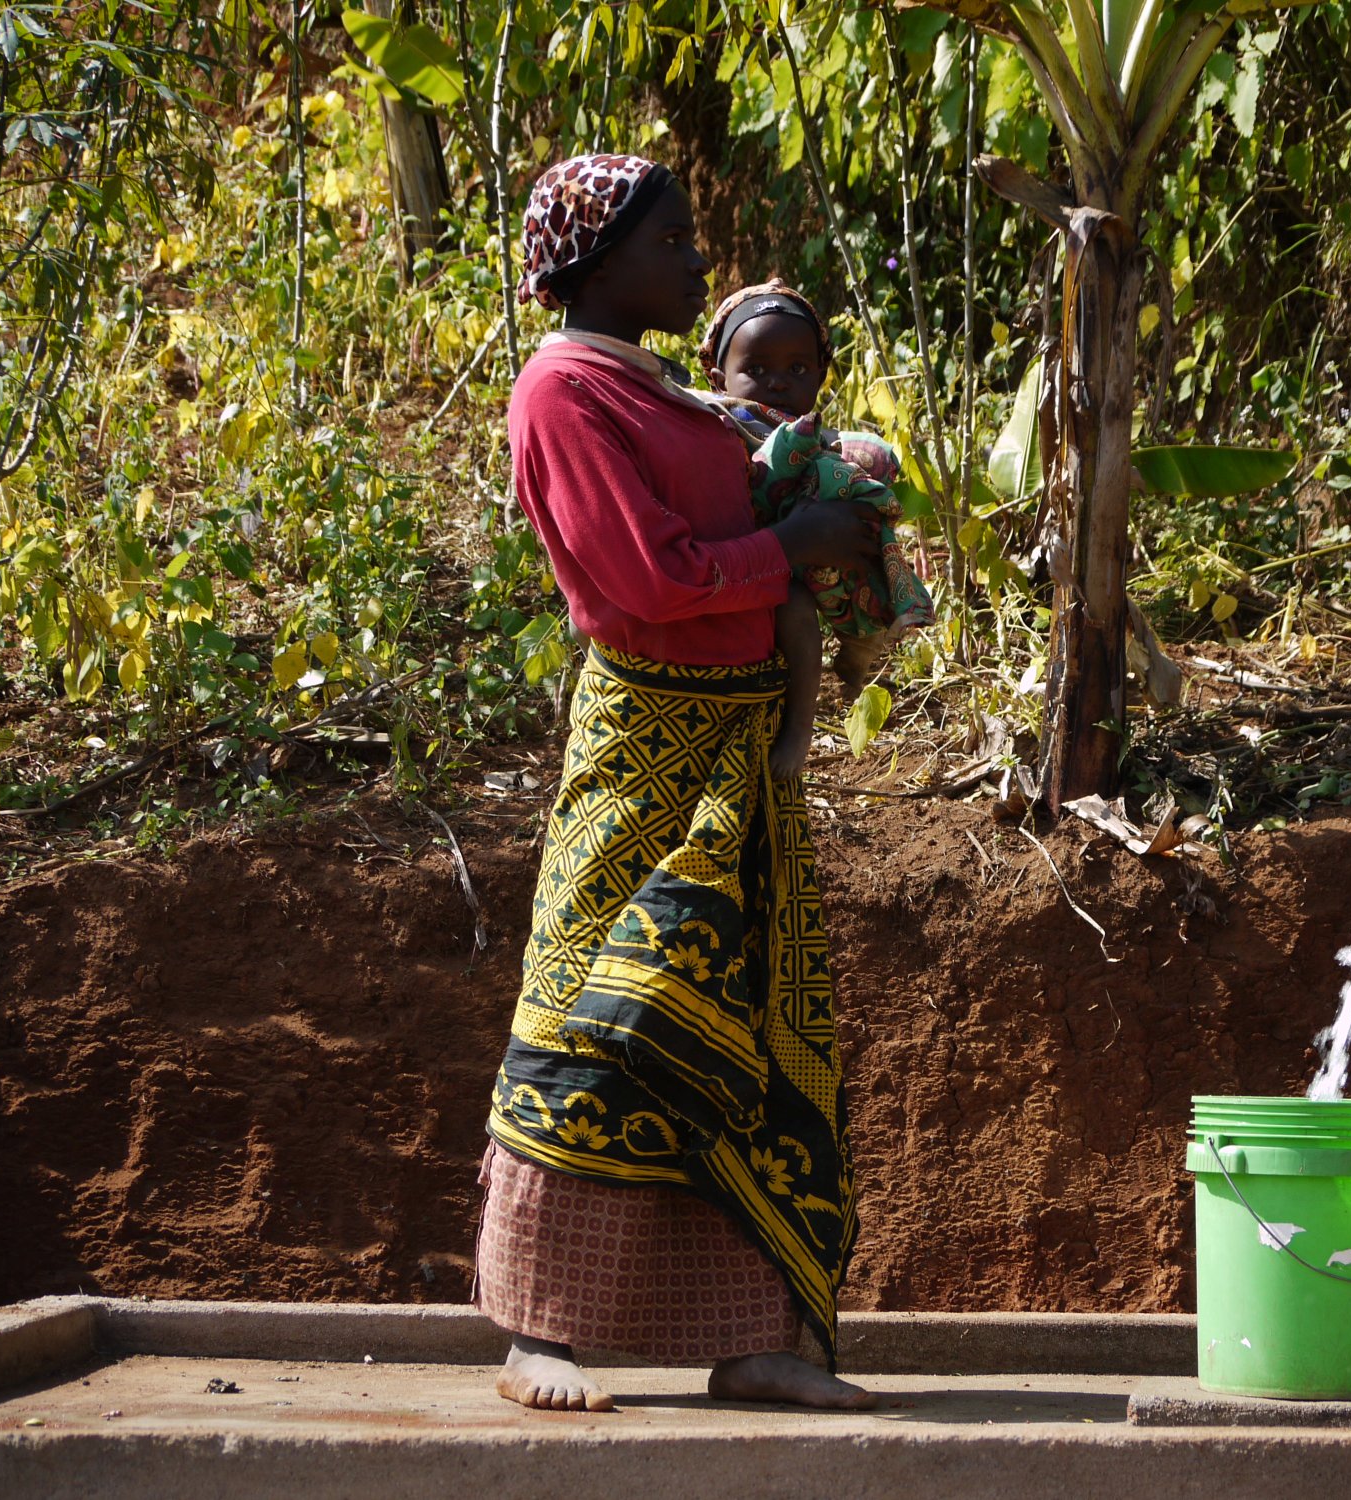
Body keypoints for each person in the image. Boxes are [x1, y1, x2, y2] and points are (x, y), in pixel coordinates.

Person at [474, 153, 884, 1414]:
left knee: (746, 1033)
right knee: (606, 1014)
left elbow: (740, 507)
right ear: (597, 261)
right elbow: (641, 583)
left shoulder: (655, 386)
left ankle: (757, 1339)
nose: (699, 260)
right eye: (674, 240)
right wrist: (791, 548)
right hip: (647, 744)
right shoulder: (563, 391)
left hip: (741, 744)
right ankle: (538, 1331)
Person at [696, 281, 934, 778]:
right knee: (794, 609)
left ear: (821, 375)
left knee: (834, 591)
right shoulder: (714, 426)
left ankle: (833, 682)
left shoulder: (816, 436)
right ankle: (808, 711)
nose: (778, 382)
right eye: (756, 369)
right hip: (750, 562)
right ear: (720, 378)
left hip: (818, 559)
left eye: (797, 369)